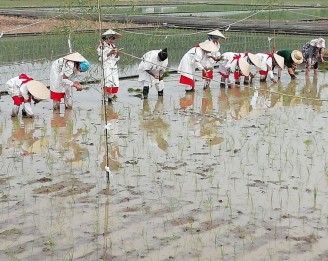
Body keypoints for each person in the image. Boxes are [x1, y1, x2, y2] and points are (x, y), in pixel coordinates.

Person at [97, 29, 122, 102]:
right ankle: (104, 99)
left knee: (114, 81)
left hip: (113, 66)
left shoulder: (113, 46)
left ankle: (110, 98)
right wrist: (109, 53)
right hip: (106, 67)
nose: (112, 40)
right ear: (107, 38)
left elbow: (116, 59)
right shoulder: (102, 46)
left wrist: (117, 53)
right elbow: (101, 58)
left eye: (113, 38)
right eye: (111, 38)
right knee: (107, 82)